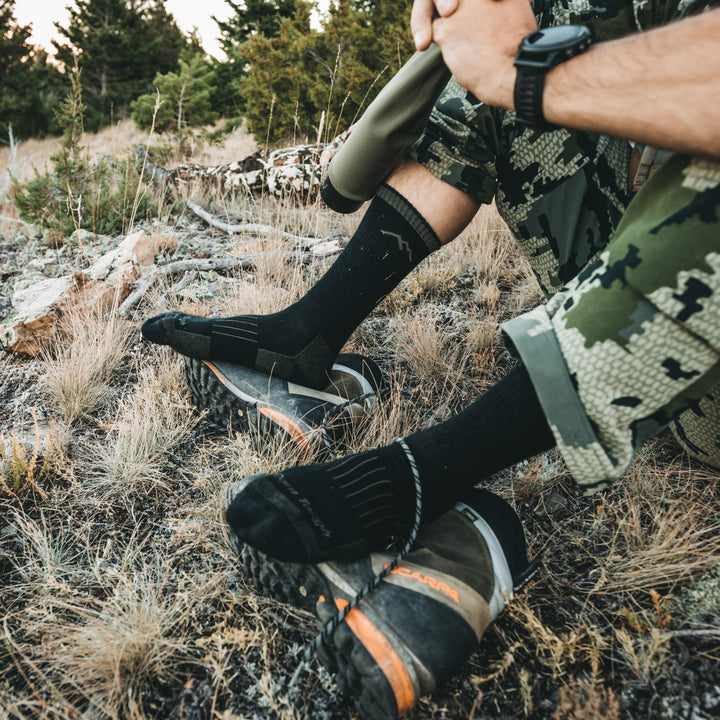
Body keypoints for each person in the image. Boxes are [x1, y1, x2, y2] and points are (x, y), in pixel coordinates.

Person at [142, 0, 720, 717]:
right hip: (655, 316)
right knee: (547, 25)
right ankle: (308, 334)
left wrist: (524, 75)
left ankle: (431, 472)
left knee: (534, 64)